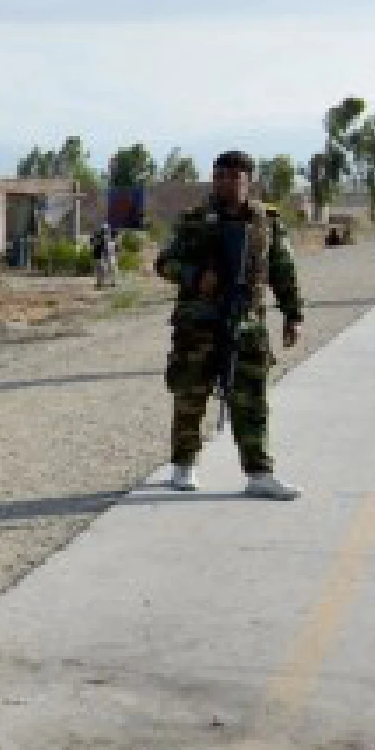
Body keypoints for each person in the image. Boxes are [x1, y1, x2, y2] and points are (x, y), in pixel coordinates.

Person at [153, 150, 304, 499]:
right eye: (219, 176)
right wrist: (194, 277)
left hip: (247, 326)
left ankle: (259, 474)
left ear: (247, 181)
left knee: (251, 401)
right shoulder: (194, 220)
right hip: (198, 325)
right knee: (190, 396)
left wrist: (293, 315)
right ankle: (183, 466)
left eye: (233, 177)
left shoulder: (267, 221)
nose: (225, 183)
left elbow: (283, 270)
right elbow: (165, 264)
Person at [90, 221, 117, 289]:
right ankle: (100, 283)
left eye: (106, 231)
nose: (104, 233)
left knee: (111, 268)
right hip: (99, 254)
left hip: (108, 254)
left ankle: (112, 282)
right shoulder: (96, 236)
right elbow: (92, 242)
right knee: (101, 269)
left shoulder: (111, 237)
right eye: (103, 231)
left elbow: (115, 246)